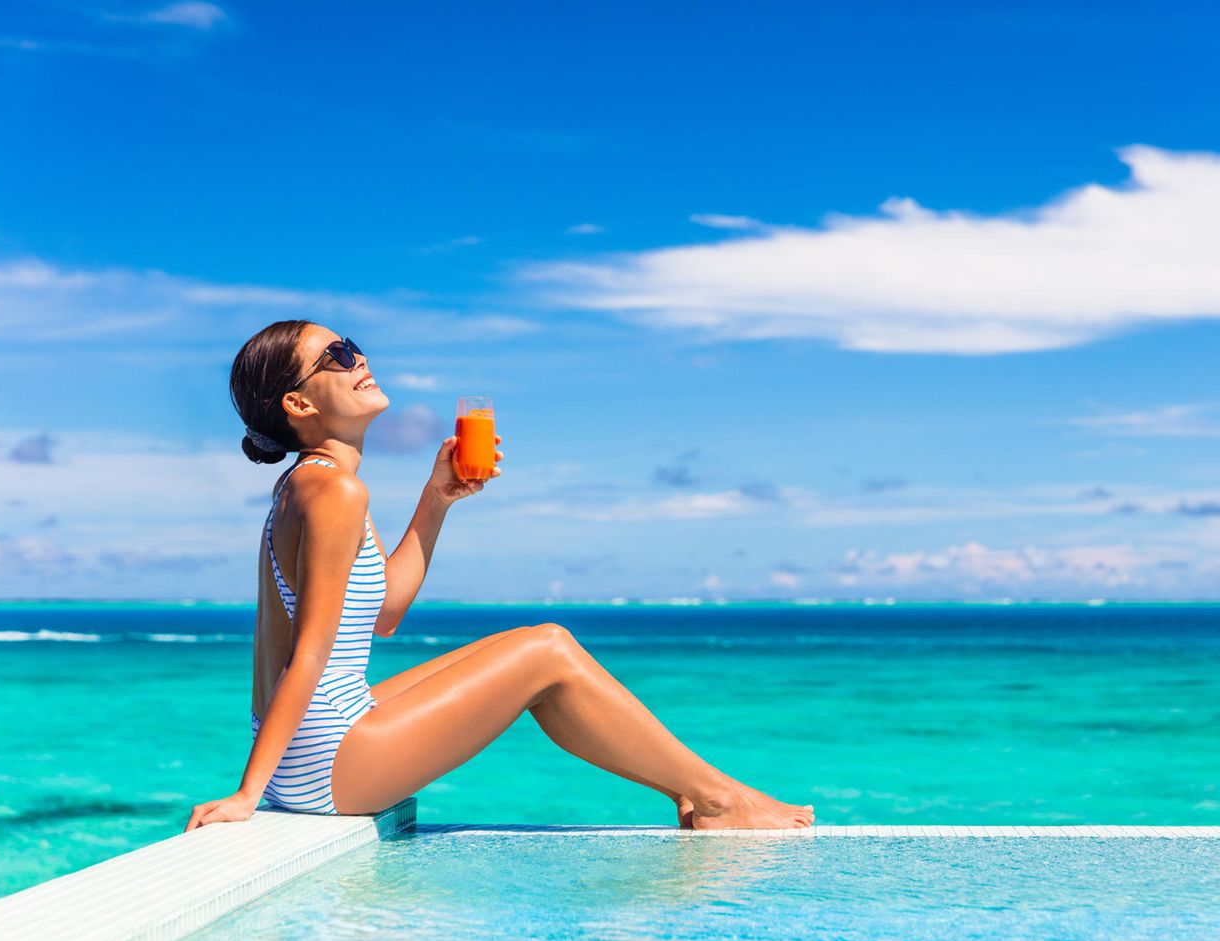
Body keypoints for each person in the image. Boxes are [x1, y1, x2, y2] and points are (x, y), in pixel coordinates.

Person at [185, 320, 816, 832]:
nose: (359, 359)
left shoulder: (312, 483)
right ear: (298, 404)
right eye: (338, 356)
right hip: (322, 759)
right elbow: (309, 653)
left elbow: (384, 615)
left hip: (313, 743)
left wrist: (437, 499)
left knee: (530, 644)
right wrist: (248, 794)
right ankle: (716, 798)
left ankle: (695, 794)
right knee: (548, 650)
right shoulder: (335, 492)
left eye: (353, 345)